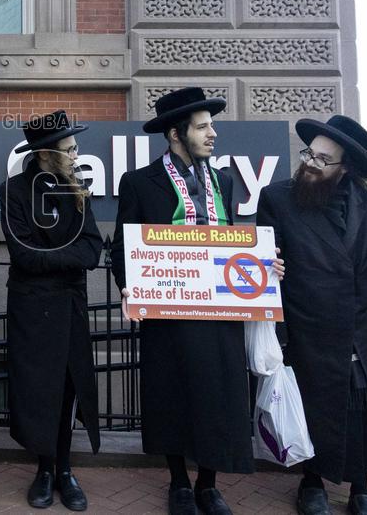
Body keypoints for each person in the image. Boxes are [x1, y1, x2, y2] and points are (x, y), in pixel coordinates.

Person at [111, 87, 282, 515]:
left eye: (212, 126)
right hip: (168, 315)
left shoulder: (222, 181)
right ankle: (179, 483)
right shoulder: (139, 183)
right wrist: (130, 286)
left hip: (219, 314)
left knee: (218, 396)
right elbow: (121, 250)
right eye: (203, 127)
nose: (213, 134)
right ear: (175, 134)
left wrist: (265, 269)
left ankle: (208, 484)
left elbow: (233, 247)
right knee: (172, 393)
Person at [256, 116, 367, 515]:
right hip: (308, 323)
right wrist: (266, 268)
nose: (310, 163)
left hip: (357, 322)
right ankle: (311, 482)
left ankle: (361, 487)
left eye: (323, 159)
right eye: (309, 153)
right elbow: (265, 261)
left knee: (361, 408)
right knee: (313, 406)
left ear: (346, 169)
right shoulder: (277, 197)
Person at [0, 111, 103, 512]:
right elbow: (23, 253)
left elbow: (91, 249)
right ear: (47, 154)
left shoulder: (78, 189)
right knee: (39, 390)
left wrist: (55, 257)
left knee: (68, 388)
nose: (77, 154)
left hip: (70, 304)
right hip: (31, 307)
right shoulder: (14, 191)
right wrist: (68, 257)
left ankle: (64, 469)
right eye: (70, 148)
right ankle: (43, 469)